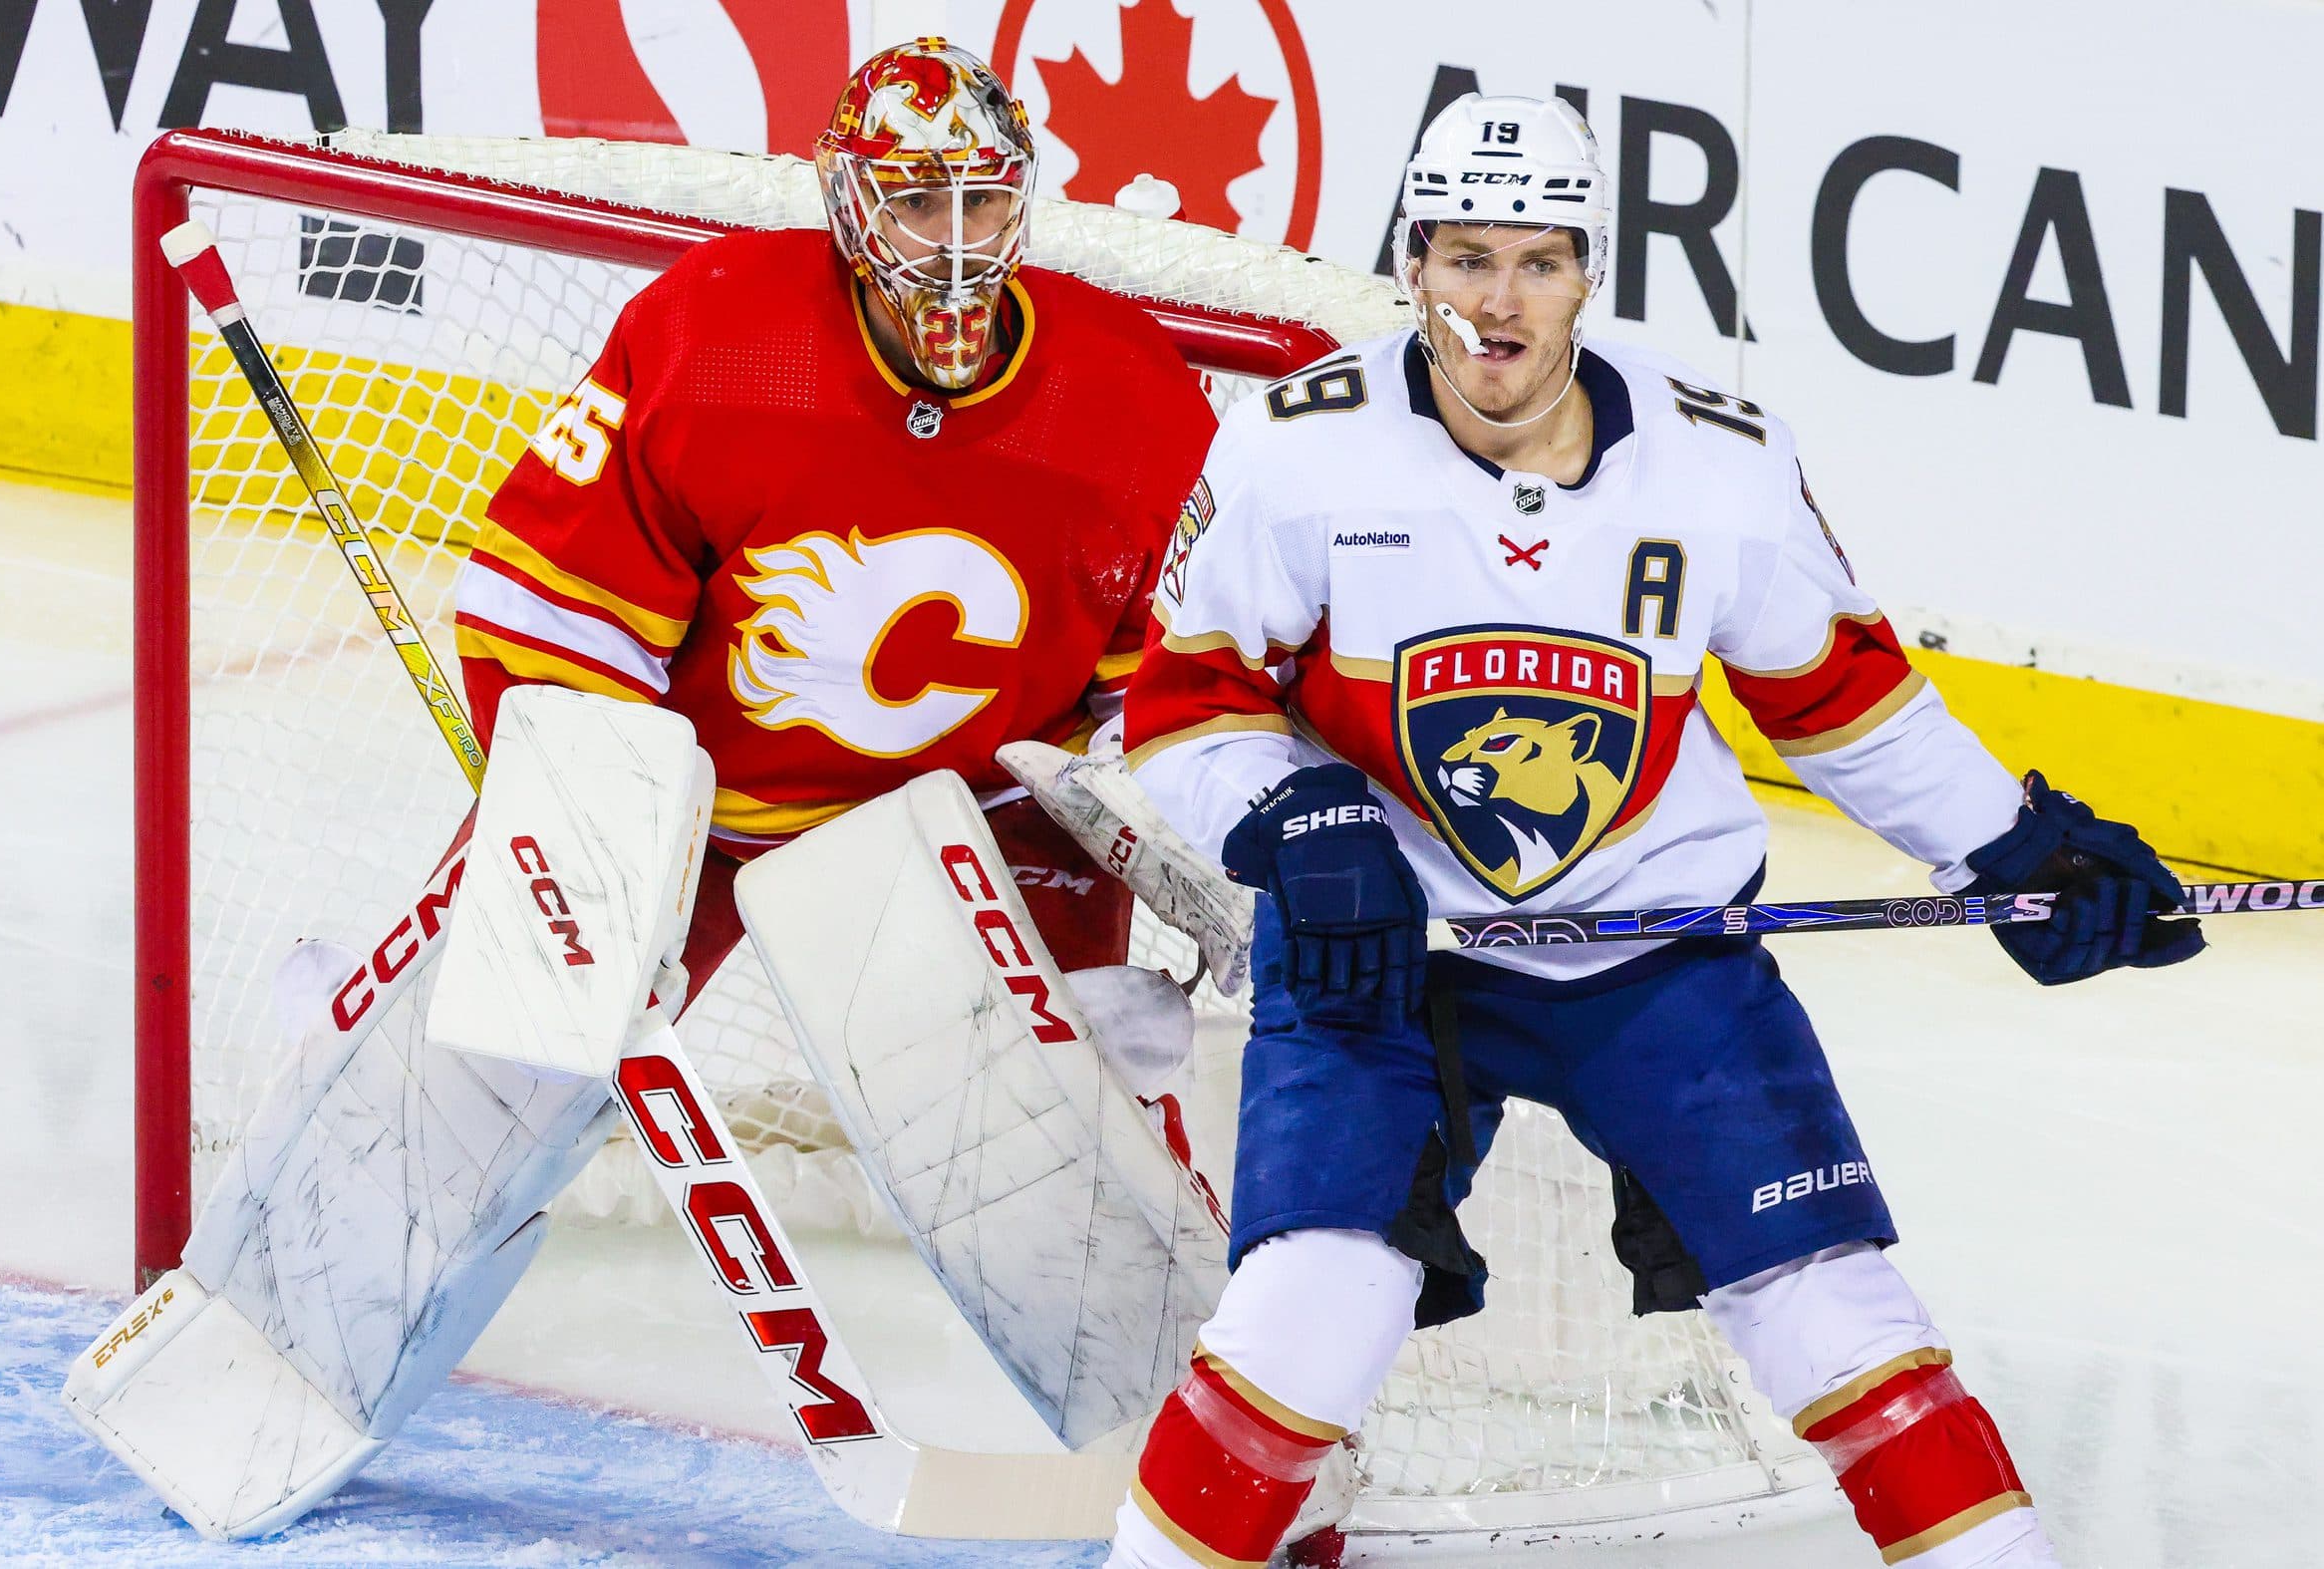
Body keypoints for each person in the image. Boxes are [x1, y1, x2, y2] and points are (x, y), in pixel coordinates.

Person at [1109, 93, 2202, 1569]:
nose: (1496, 302)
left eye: (1537, 262)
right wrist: (1295, 811)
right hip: (1382, 957)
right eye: (1462, 255)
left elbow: (1837, 696)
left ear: (1590, 270)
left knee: (1835, 1308)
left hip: (1658, 949)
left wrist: (2010, 854)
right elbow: (1176, 708)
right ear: (1409, 259)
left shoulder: (1716, 458)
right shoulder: (1296, 452)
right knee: (1314, 1307)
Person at [455, 37, 1217, 1004]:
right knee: (488, 1061)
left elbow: (1158, 677)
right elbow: (559, 616)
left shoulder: (1131, 397)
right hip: (706, 812)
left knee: (1078, 1110)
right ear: (850, 206)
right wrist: (582, 803)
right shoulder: (717, 338)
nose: (952, 243)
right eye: (914, 202)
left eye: (980, 200)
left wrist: (1167, 796)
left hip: (990, 822)